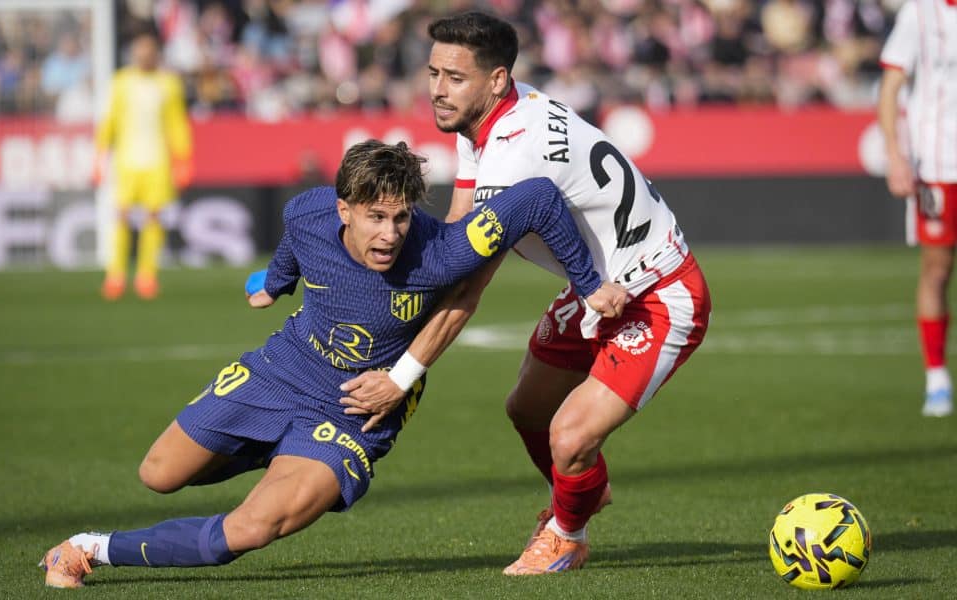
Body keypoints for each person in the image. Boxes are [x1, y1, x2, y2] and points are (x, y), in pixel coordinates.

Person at [38, 139, 628, 588]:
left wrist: (590, 283)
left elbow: (541, 198)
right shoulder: (307, 212)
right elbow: (295, 245)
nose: (392, 234)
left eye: (401, 218)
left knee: (247, 530)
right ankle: (279, 450)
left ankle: (89, 549)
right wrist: (275, 282)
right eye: (376, 217)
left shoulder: (444, 250)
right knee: (159, 473)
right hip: (284, 367)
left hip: (355, 410)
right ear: (344, 209)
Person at [339, 12, 712, 575]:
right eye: (434, 72)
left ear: (495, 80)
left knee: (568, 435)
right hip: (596, 286)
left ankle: (568, 533)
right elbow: (457, 231)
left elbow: (468, 284)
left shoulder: (513, 156)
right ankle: (585, 491)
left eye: (454, 77)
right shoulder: (490, 116)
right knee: (528, 409)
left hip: (658, 294)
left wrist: (400, 377)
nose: (438, 90)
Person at [879, 0, 956, 418]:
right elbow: (891, 85)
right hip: (939, 164)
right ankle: (937, 377)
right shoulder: (921, 13)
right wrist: (896, 154)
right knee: (937, 269)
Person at [95, 30, 193, 300]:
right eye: (140, 50)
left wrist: (183, 158)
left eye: (149, 50)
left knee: (153, 217)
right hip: (127, 161)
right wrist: (100, 155)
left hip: (157, 162)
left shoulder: (169, 84)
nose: (145, 55)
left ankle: (146, 275)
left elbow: (177, 124)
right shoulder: (121, 82)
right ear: (134, 53)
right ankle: (115, 275)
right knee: (122, 216)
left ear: (156, 54)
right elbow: (110, 121)